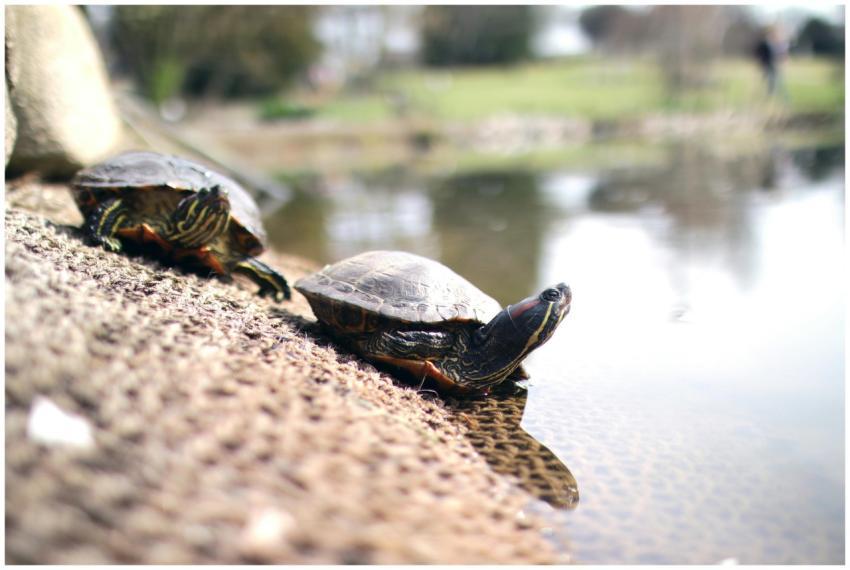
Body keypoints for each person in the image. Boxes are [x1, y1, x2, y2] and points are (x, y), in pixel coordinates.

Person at [754, 25, 788, 100]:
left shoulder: (775, 43)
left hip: (773, 64)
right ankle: (768, 93)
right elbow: (759, 53)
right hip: (766, 64)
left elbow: (779, 53)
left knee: (774, 79)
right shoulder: (764, 44)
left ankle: (773, 93)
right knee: (769, 79)